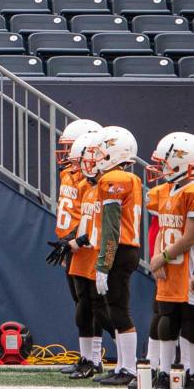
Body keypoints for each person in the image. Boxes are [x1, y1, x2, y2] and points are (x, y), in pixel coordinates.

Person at [82, 126, 141, 386]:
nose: (96, 158)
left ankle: (129, 368)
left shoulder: (113, 180)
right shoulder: (128, 179)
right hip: (124, 248)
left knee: (118, 310)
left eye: (101, 152)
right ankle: (121, 365)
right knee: (114, 309)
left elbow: (111, 227)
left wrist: (104, 264)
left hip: (118, 249)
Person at [51, 119, 102, 375]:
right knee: (79, 302)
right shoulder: (67, 174)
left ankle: (95, 358)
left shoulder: (91, 181)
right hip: (70, 246)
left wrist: (72, 239)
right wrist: (64, 244)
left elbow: (88, 217)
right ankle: (88, 358)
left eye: (72, 148)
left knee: (92, 304)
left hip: (85, 246)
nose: (67, 154)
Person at [146, 133, 194, 388]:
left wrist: (162, 257)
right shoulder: (163, 191)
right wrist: (157, 259)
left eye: (164, 162)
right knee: (166, 317)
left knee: (189, 318)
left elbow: (189, 237)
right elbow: (162, 230)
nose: (160, 168)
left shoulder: (192, 191)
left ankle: (188, 370)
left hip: (188, 265)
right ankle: (164, 371)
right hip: (168, 264)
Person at [64, 132, 110, 380]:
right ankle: (89, 359)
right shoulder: (85, 186)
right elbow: (85, 220)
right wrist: (72, 239)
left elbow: (109, 225)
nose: (84, 165)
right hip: (82, 253)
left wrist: (81, 239)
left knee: (104, 311)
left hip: (99, 254)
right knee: (83, 306)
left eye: (88, 159)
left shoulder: (111, 185)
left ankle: (124, 360)